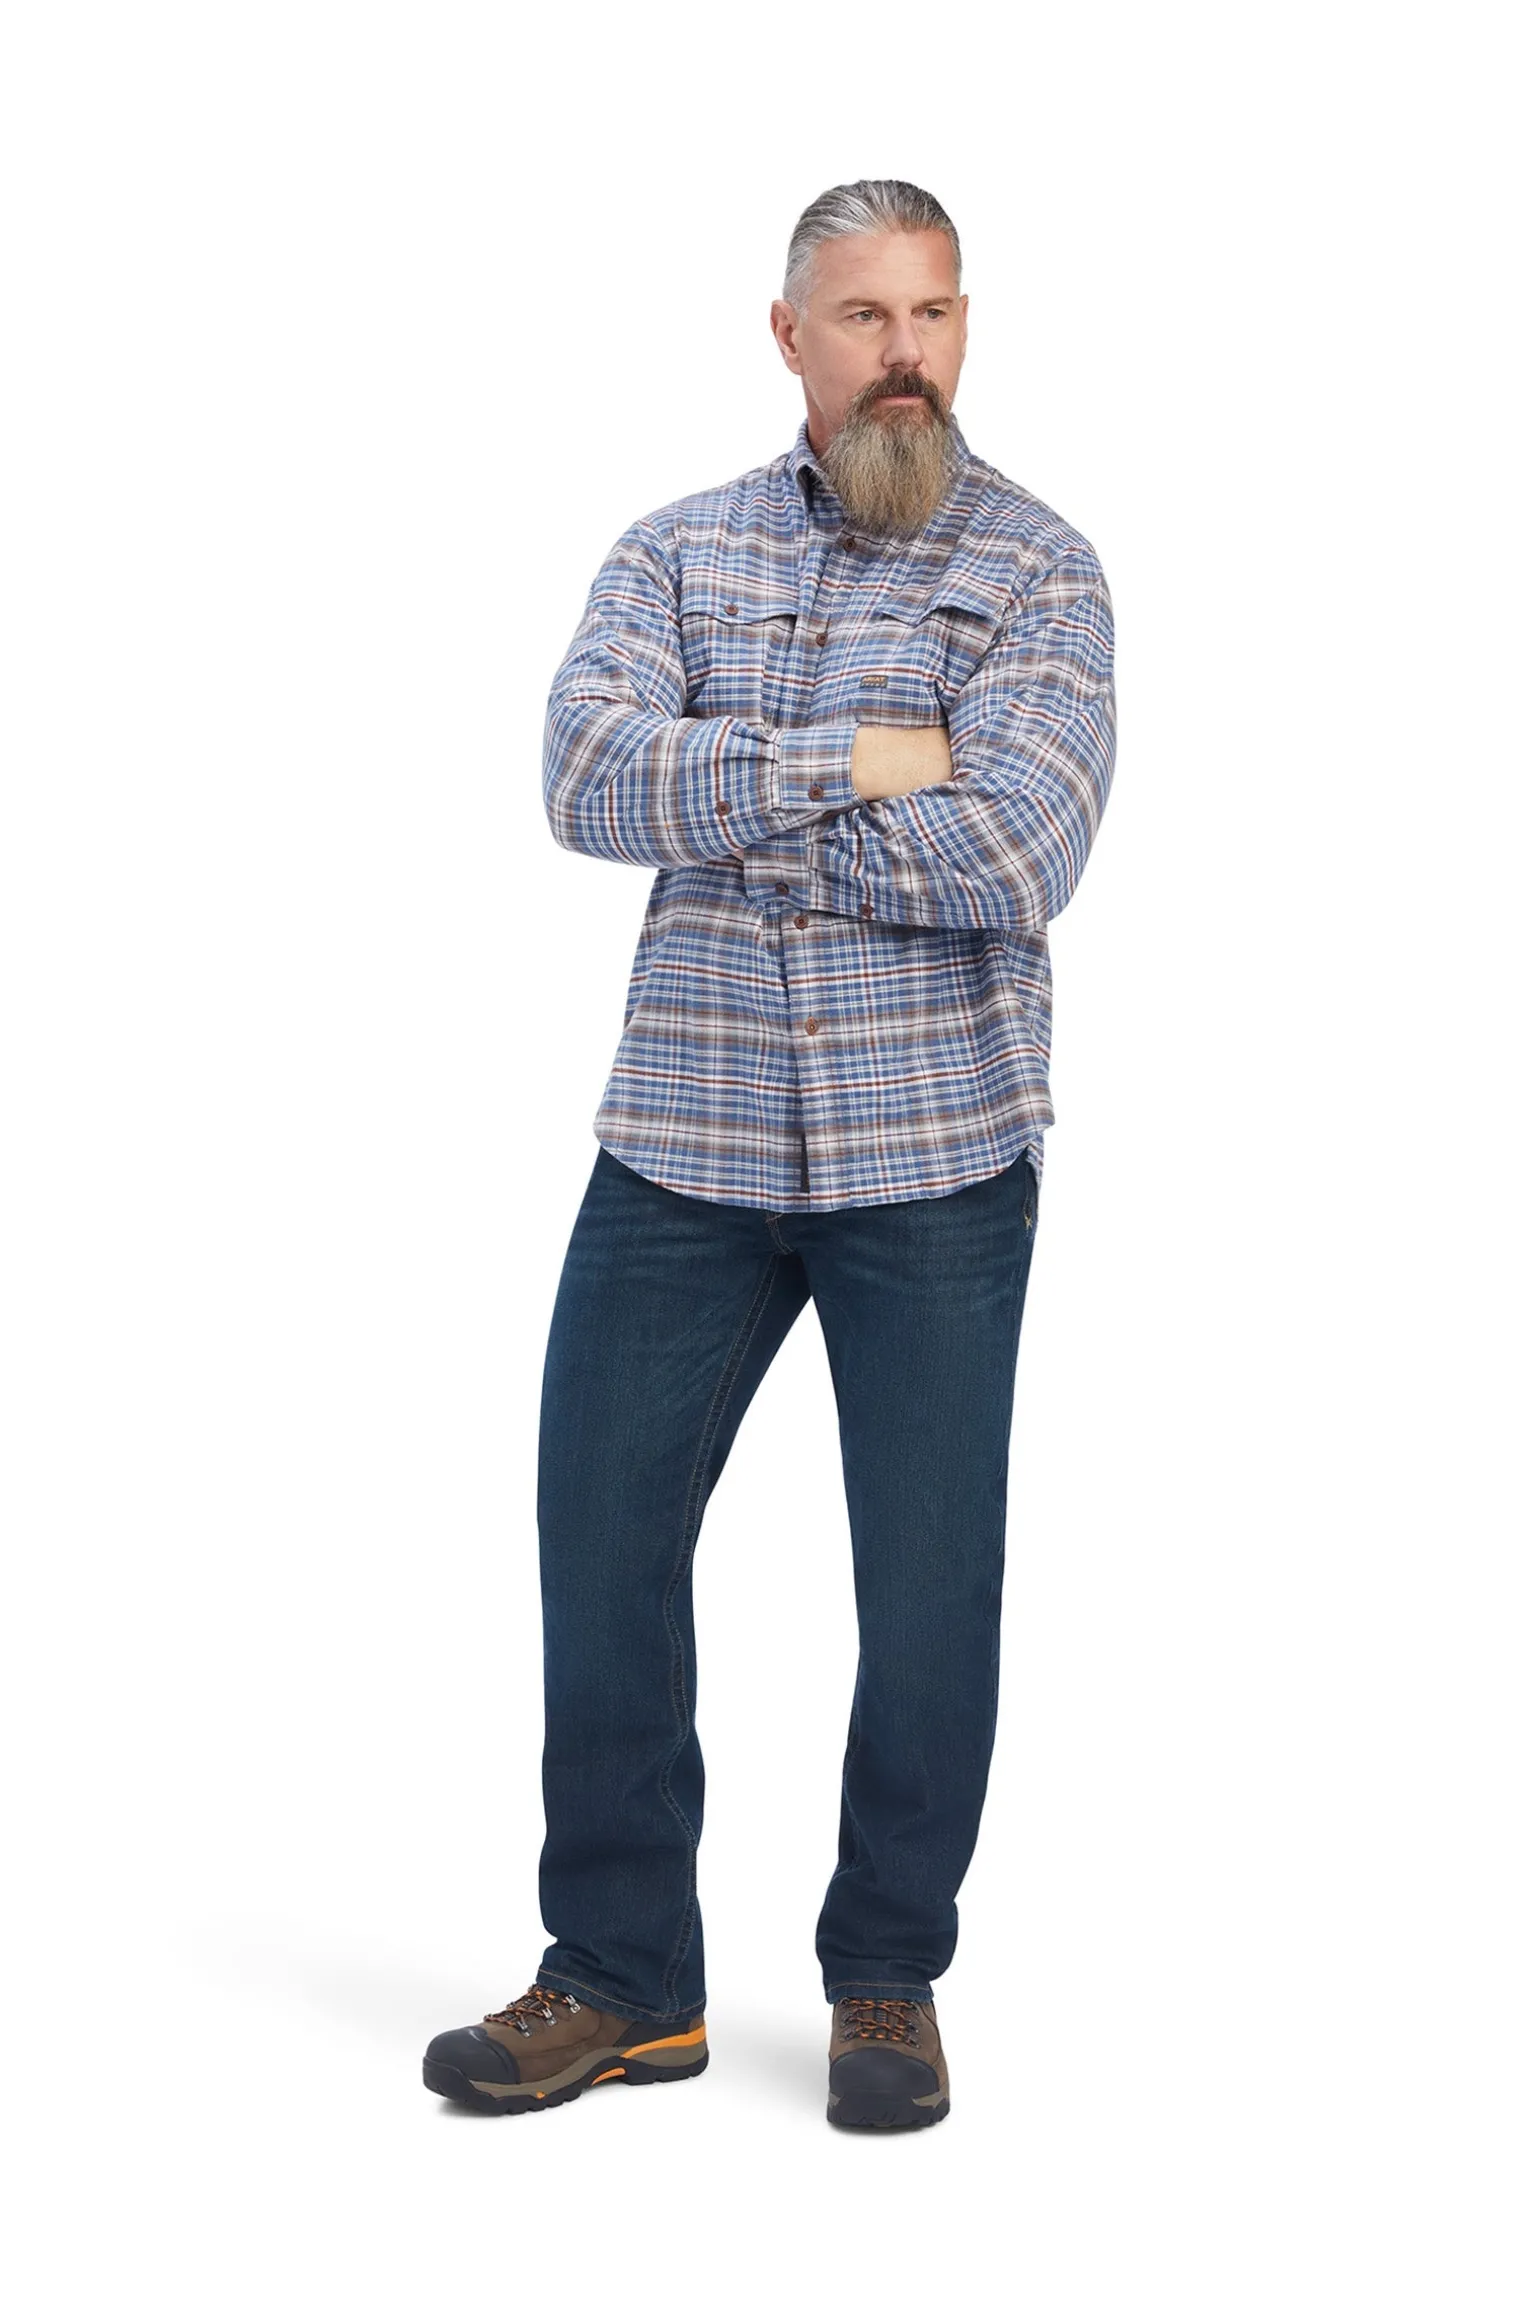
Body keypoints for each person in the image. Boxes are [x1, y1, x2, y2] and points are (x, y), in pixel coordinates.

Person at [422, 177, 1117, 2132]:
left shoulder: (1042, 576)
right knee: (599, 1547)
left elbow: (1020, 850)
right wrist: (871, 755)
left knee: (926, 1588)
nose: (905, 353)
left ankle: (887, 1970)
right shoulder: (674, 550)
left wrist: (725, 794)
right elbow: (583, 779)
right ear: (790, 335)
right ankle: (622, 1978)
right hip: (684, 1141)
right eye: (864, 316)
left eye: (934, 313)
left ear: (961, 329)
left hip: (934, 1152)